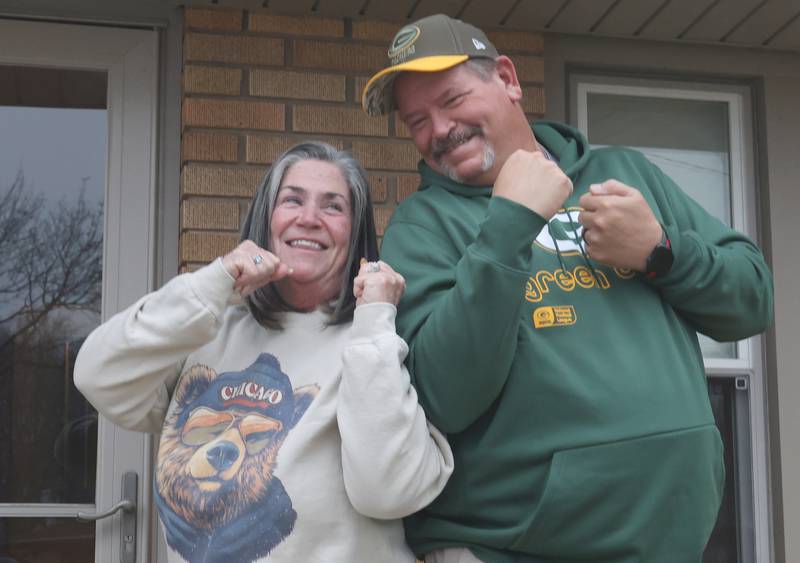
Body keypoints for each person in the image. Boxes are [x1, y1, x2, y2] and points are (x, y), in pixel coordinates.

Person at [362, 14, 774, 563]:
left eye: (453, 100)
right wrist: (507, 225)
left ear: (507, 79)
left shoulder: (625, 173)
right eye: (417, 120)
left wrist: (660, 252)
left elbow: (751, 303)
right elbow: (444, 397)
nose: (438, 130)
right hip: (516, 546)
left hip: (668, 538)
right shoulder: (424, 224)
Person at [74, 141, 453, 563]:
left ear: (356, 232)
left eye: (333, 207)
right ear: (266, 219)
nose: (308, 219)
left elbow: (389, 491)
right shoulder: (208, 336)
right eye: (292, 200)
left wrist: (375, 318)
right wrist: (216, 283)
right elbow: (97, 374)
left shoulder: (377, 342)